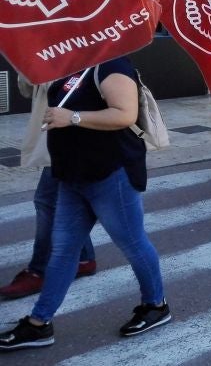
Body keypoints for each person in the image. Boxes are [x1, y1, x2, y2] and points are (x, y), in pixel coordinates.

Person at [0, 58, 170, 350]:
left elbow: (125, 114)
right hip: (71, 175)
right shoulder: (68, 63)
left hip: (110, 174)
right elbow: (36, 90)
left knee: (132, 243)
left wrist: (74, 117)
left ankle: (156, 304)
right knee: (64, 250)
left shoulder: (111, 65)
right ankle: (39, 324)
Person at [0, 77, 96, 300]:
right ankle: (84, 258)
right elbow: (30, 90)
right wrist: (27, 67)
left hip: (76, 139)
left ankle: (39, 270)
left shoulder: (85, 56)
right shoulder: (50, 55)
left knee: (47, 201)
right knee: (66, 201)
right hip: (58, 139)